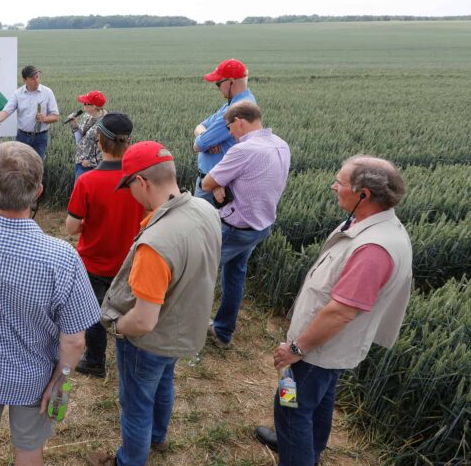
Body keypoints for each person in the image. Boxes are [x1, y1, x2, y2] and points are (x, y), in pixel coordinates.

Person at [0, 142, 101, 465]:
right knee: (29, 449)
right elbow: (74, 339)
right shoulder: (61, 257)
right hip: (35, 378)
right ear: (39, 191)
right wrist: (61, 380)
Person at [254, 156, 413, 466]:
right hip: (326, 349)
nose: (333, 187)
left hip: (317, 349)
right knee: (320, 400)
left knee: (292, 408)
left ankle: (297, 452)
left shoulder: (373, 249)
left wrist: (296, 349)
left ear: (363, 194)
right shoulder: (371, 224)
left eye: (340, 182)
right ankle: (306, 449)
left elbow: (340, 312)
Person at [88, 141, 221, 466]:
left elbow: (144, 321)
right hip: (183, 331)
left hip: (149, 342)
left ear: (142, 182)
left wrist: (117, 327)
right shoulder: (206, 210)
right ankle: (158, 437)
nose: (129, 195)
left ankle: (128, 460)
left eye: (128, 186)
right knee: (163, 383)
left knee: (135, 404)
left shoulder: (155, 244)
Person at [200, 102, 291, 347]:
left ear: (239, 121)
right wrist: (223, 183)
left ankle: (187, 330)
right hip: (260, 227)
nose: (230, 133)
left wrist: (219, 183)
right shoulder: (281, 144)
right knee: (234, 276)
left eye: (230, 127)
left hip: (234, 228)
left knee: (199, 274)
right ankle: (223, 332)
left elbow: (208, 183)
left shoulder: (245, 150)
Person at [65, 113, 143, 378]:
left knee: (95, 313)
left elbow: (72, 227)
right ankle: (130, 361)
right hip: (131, 261)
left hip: (94, 261)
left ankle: (96, 362)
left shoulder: (87, 181)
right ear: (128, 142)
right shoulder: (141, 181)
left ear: (99, 142)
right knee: (130, 308)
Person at [192, 59, 256, 205]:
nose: (217, 87)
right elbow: (200, 126)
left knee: (203, 225)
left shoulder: (234, 110)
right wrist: (206, 137)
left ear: (231, 82)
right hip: (219, 181)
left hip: (215, 184)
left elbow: (198, 146)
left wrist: (204, 141)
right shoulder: (241, 102)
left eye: (218, 83)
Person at [0, 65, 60, 159]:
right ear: (25, 80)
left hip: (40, 137)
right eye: (32, 78)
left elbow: (55, 117)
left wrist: (44, 118)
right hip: (23, 137)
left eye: (37, 77)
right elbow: (6, 111)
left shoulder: (47, 92)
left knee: (37, 166)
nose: (36, 80)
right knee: (20, 165)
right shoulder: (18, 94)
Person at [68, 90, 107, 179]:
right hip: (80, 161)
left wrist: (90, 163)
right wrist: (75, 126)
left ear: (93, 106)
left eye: (85, 103)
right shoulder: (87, 116)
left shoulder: (105, 123)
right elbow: (82, 138)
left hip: (92, 167)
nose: (83, 104)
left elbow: (106, 148)